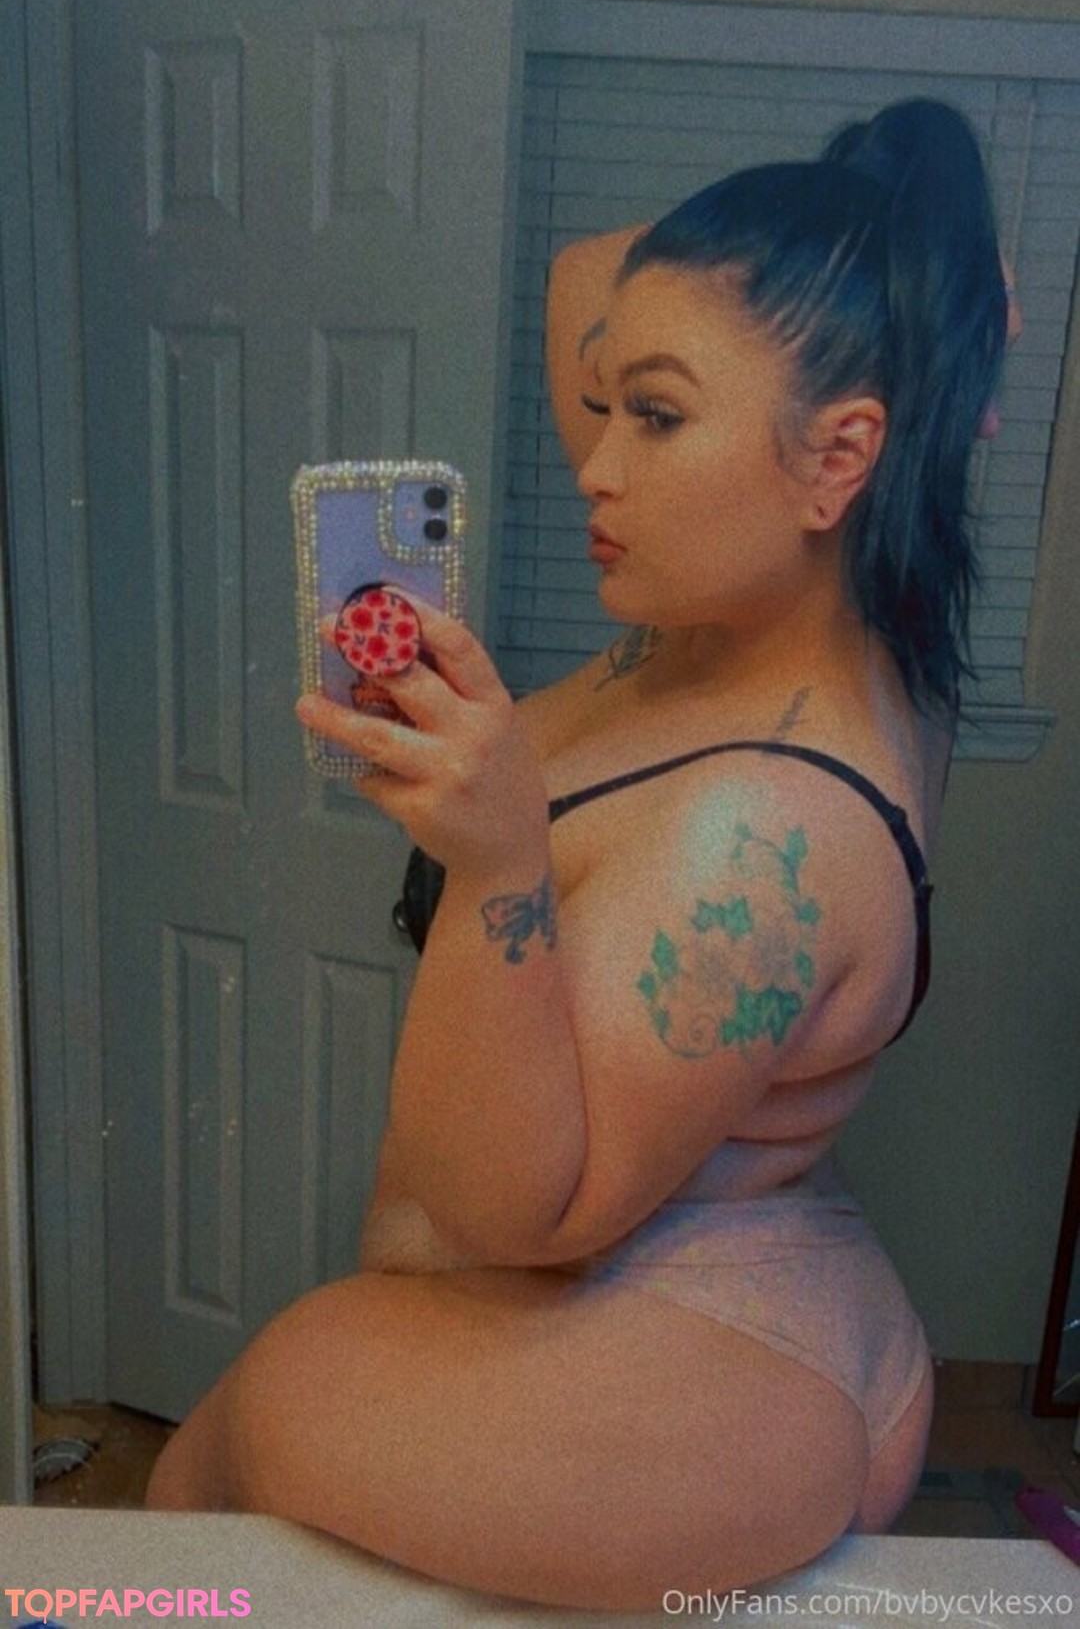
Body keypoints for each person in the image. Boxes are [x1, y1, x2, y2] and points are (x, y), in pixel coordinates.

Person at [146, 99, 1013, 1612]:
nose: (595, 464)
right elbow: (588, 282)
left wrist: (498, 866)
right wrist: (894, 240)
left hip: (712, 1347)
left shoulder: (766, 829)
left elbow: (520, 1218)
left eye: (655, 417)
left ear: (839, 458)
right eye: (608, 407)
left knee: (241, 1438)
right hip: (721, 1250)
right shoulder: (759, 616)